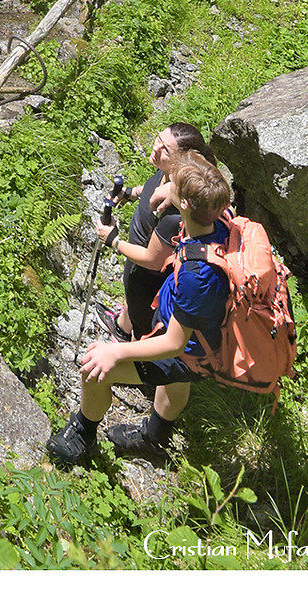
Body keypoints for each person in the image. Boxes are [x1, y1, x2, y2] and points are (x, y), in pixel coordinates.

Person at [48, 151, 234, 468]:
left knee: (95, 371)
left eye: (172, 183)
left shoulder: (197, 277)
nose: (166, 184)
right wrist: (164, 187)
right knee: (177, 381)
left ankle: (83, 436)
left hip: (190, 350)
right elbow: (200, 175)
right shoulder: (219, 217)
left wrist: (117, 352)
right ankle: (155, 439)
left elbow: (175, 344)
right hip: (205, 333)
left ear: (185, 205)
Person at [102, 121, 210, 343]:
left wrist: (113, 240)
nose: (156, 148)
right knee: (131, 307)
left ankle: (132, 366)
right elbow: (153, 186)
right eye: (159, 139)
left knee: (143, 330)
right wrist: (133, 192)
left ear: (183, 162)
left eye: (166, 150)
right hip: (136, 269)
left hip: (147, 282)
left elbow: (153, 260)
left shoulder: (174, 213)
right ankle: (121, 327)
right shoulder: (170, 179)